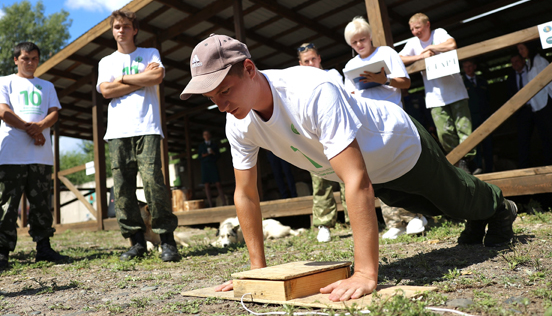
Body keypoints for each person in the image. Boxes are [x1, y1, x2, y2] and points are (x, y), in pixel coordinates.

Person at [180, 34, 516, 302]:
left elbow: (355, 179)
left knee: (455, 198)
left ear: (250, 69)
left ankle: (499, 206)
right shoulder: (237, 123)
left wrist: (366, 274)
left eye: (225, 90)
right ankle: (477, 216)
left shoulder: (310, 90)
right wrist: (256, 272)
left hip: (399, 147)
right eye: (212, 97)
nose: (221, 104)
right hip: (374, 171)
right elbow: (246, 194)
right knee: (435, 207)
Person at [96, 10, 180, 263]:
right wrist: (139, 80)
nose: (121, 30)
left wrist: (122, 78)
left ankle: (167, 241)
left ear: (135, 30)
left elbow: (157, 76)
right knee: (122, 189)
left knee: (154, 183)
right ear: (113, 31)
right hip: (118, 132)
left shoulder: (149, 53)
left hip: (147, 127)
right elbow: (106, 91)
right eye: (116, 27)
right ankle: (136, 243)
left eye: (126, 26)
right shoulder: (106, 62)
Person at [343, 17, 426, 239]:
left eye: (362, 39)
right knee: (378, 172)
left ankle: (415, 216)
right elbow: (349, 94)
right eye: (354, 42)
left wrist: (384, 79)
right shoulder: (350, 66)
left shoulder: (387, 53)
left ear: (370, 37)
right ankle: (393, 223)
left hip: (393, 120)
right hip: (368, 124)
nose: (359, 44)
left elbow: (405, 83)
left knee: (401, 166)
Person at [0, 41, 65, 271]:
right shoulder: (4, 81)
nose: (29, 63)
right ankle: (1, 251)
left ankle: (44, 247)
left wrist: (39, 128)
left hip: (40, 155)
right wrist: (32, 129)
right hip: (11, 153)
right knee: (7, 205)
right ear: (15, 60)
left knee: (41, 203)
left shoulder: (47, 85)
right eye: (24, 59)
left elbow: (54, 113)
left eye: (33, 59)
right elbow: (2, 111)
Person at [399, 13, 476, 171]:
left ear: (427, 25)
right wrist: (420, 56)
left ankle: (468, 161)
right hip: (434, 96)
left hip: (456, 92)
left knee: (464, 128)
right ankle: (458, 161)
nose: (415, 32)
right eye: (412, 29)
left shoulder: (439, 33)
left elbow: (451, 44)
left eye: (418, 27)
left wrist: (431, 47)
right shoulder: (413, 42)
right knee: (444, 132)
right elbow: (399, 58)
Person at [297, 42, 347, 243]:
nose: (311, 63)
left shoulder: (332, 75)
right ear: (300, 64)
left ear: (319, 59)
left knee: (347, 178)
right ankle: (323, 225)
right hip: (313, 137)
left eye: (313, 59)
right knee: (320, 180)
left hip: (337, 133)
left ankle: (356, 221)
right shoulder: (297, 82)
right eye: (306, 61)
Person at [516, 42, 552, 166]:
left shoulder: (539, 61)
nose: (521, 52)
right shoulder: (529, 63)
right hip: (538, 106)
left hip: (547, 102)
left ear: (529, 47)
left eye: (522, 48)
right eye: (519, 49)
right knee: (547, 137)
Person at [462, 59, 493, 173]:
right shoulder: (462, 83)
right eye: (466, 67)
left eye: (470, 66)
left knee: (488, 144)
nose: (468, 69)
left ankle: (490, 168)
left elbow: (489, 99)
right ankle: (478, 168)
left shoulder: (482, 81)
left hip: (485, 117)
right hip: (471, 118)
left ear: (474, 66)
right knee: (475, 145)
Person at [507, 53, 535, 169]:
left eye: (517, 61)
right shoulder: (511, 78)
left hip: (536, 108)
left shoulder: (531, 71)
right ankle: (524, 167)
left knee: (544, 135)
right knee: (523, 141)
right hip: (522, 113)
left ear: (523, 61)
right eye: (513, 62)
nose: (515, 64)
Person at [198, 130, 226, 208]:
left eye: (207, 134)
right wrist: (205, 155)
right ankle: (210, 204)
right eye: (204, 134)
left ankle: (224, 202)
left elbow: (218, 155)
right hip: (205, 166)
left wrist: (213, 153)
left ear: (210, 135)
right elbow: (199, 157)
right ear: (203, 136)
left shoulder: (214, 145)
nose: (206, 136)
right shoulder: (201, 146)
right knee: (206, 185)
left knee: (218, 183)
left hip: (213, 165)